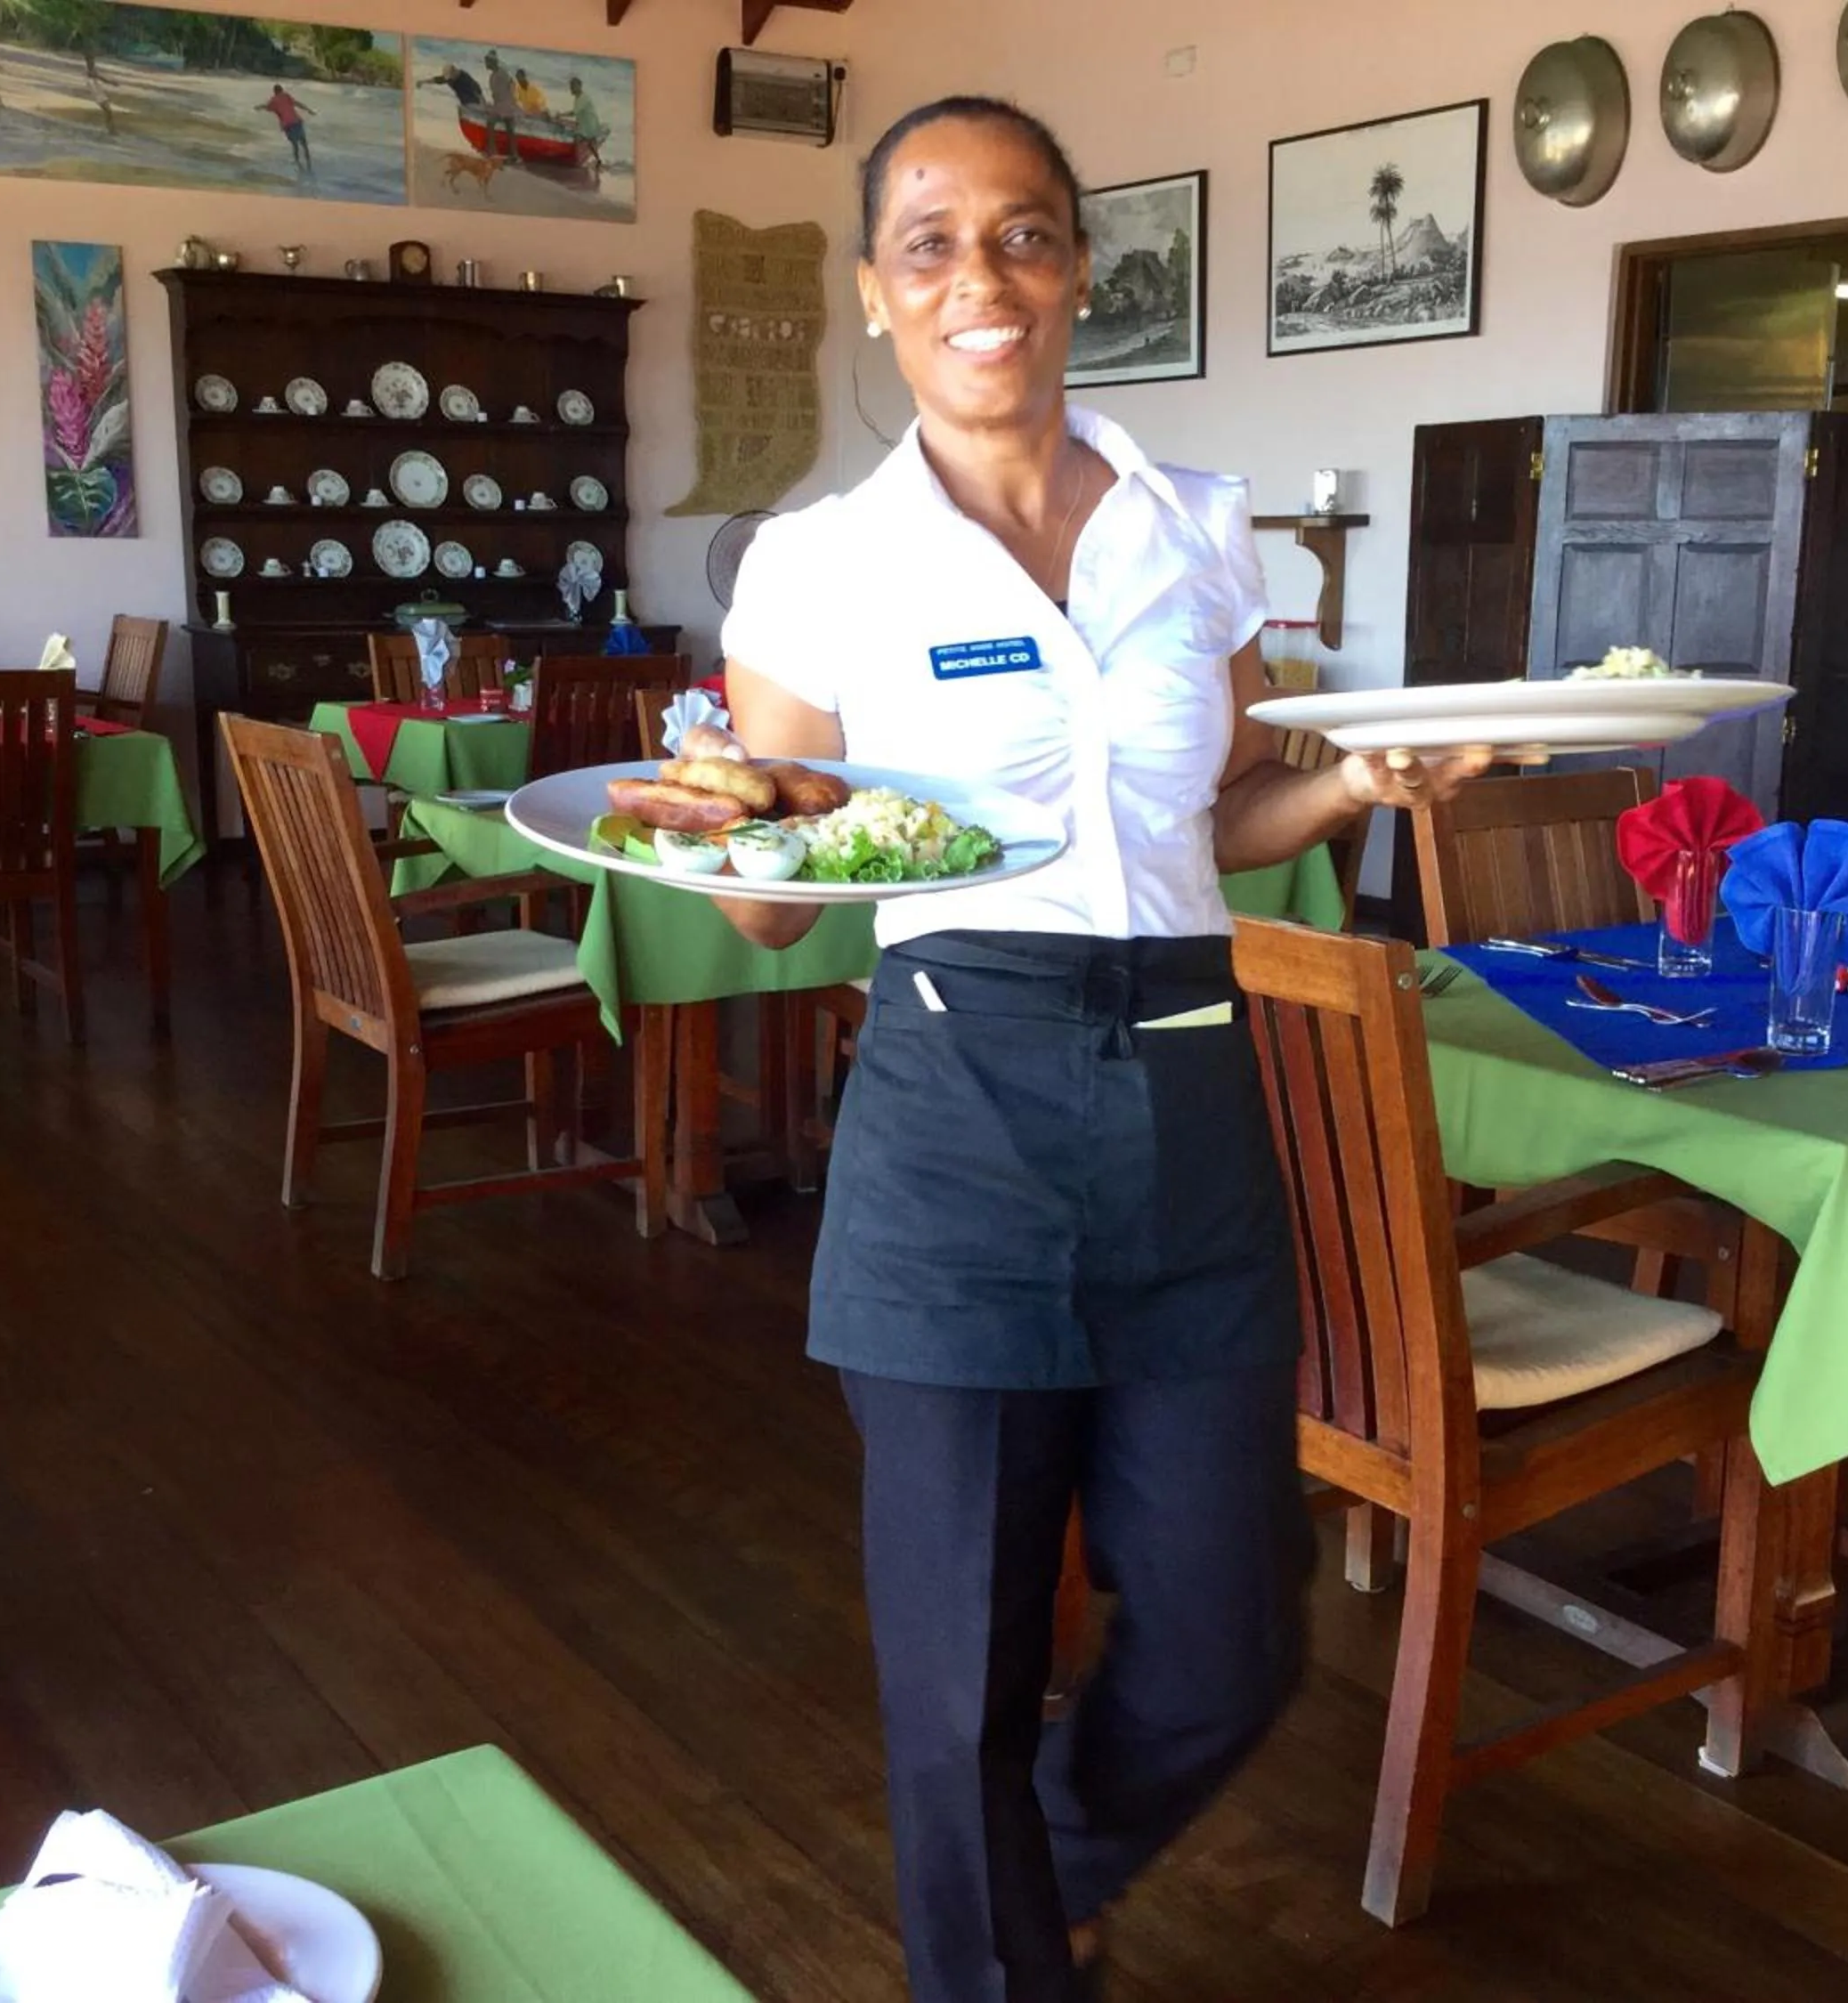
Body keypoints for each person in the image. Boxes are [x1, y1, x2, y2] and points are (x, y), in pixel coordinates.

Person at [717, 95, 1489, 2003]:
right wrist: (754, 829)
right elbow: (761, 899)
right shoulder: (817, 566)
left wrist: (1348, 790)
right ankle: (994, 1954)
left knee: (1234, 1637)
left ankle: (1024, 1878)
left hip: (1192, 1097)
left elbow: (1201, 819)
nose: (980, 277)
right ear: (875, 296)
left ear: (1077, 270)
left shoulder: (1190, 528)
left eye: (1025, 234)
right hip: (956, 1105)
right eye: (930, 243)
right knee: (958, 1674)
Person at [259, 83, 315, 178]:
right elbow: (297, 103)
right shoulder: (286, 96)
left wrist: (259, 107)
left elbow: (267, 107)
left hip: (288, 125)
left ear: (275, 92)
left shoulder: (273, 100)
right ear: (281, 90)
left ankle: (298, 164)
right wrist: (308, 110)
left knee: (295, 144)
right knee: (304, 144)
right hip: (296, 122)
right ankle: (309, 164)